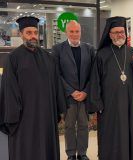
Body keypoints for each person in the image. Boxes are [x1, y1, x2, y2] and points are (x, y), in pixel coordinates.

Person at [0, 16, 66, 160]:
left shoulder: (49, 58)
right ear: (20, 34)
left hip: (46, 116)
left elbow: (56, 85)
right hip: (24, 118)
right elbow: (9, 89)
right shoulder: (13, 58)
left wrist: (57, 109)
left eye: (35, 32)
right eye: (29, 33)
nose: (33, 36)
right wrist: (13, 116)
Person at [89, 16, 133, 160]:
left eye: (122, 32)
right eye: (116, 32)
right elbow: (95, 81)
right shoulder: (102, 55)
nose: (120, 35)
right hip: (109, 105)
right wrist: (98, 104)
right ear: (109, 35)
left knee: (129, 133)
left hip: (129, 104)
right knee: (111, 134)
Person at [52, 20, 94, 160]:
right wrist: (70, 91)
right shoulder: (58, 49)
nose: (75, 34)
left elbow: (93, 74)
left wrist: (86, 91)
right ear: (66, 32)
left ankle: (82, 153)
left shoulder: (89, 49)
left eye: (77, 31)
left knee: (83, 125)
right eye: (72, 31)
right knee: (69, 125)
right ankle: (71, 154)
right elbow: (57, 74)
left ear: (81, 32)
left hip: (84, 96)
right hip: (68, 96)